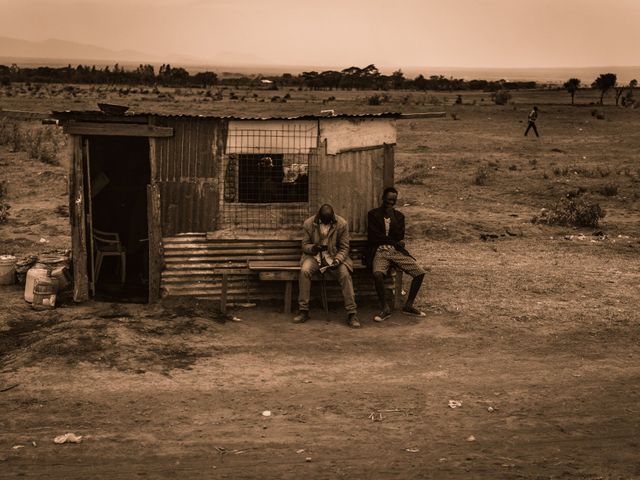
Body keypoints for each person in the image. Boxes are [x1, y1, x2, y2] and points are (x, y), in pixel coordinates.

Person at [294, 204, 360, 328]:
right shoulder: (309, 223)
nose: (326, 223)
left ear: (332, 218)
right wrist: (313, 247)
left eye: (328, 221)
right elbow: (304, 245)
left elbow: (344, 248)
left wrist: (337, 260)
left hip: (334, 256)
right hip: (314, 256)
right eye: (323, 221)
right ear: (319, 216)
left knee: (345, 274)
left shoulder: (342, 224)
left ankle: (352, 313)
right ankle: (303, 310)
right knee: (304, 271)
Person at [368, 187, 426, 321]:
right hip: (380, 251)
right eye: (389, 199)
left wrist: (392, 217)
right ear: (382, 198)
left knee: (420, 272)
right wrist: (395, 242)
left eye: (394, 200)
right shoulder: (373, 214)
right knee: (377, 274)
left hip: (395, 252)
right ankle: (385, 308)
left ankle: (409, 305)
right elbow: (374, 237)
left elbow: (400, 236)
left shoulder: (399, 216)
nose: (391, 202)